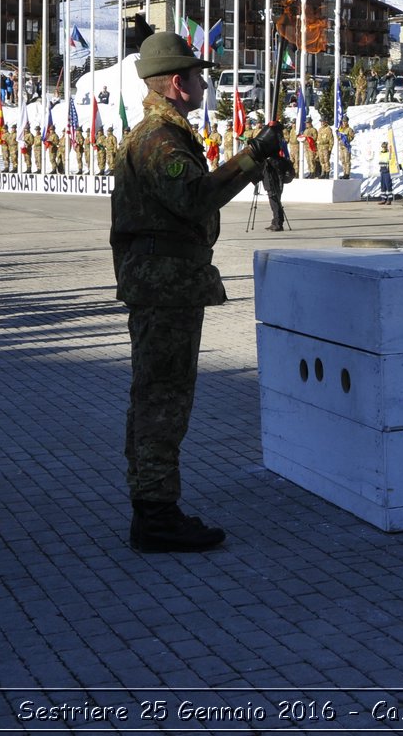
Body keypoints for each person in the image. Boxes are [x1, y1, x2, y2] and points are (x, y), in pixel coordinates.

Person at [109, 33, 281, 553]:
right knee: (164, 397)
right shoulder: (160, 139)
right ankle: (157, 515)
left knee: (153, 394)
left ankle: (151, 506)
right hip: (166, 286)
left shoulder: (159, 134)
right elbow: (193, 197)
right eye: (201, 76)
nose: (207, 83)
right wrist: (252, 157)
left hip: (164, 283)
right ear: (179, 84)